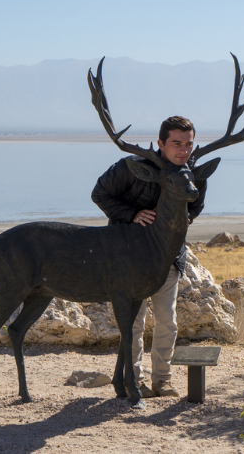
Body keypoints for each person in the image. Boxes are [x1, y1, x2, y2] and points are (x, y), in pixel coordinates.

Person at [91, 116, 207, 397]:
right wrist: (132, 214)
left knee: (167, 320)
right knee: (134, 321)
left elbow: (197, 203)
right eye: (176, 144)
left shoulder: (191, 172)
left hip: (168, 259)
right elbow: (100, 194)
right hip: (129, 260)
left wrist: (187, 217)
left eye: (188, 144)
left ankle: (162, 380)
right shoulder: (131, 168)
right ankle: (134, 381)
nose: (183, 150)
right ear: (161, 143)